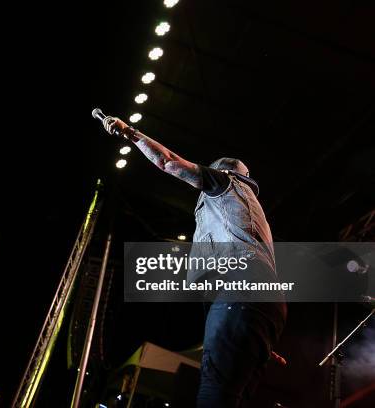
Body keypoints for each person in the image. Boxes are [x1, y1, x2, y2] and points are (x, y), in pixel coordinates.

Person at [103, 117, 286, 408]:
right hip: (263, 308)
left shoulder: (225, 184)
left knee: (213, 395)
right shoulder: (251, 214)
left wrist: (130, 133)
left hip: (241, 296)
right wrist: (258, 333)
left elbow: (168, 162)